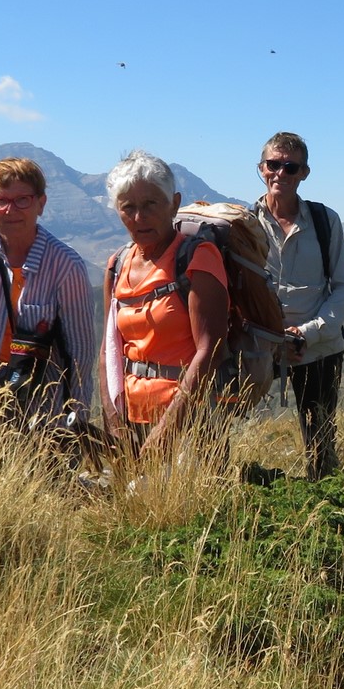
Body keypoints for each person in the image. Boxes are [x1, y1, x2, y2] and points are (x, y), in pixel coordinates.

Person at [0, 156, 99, 444]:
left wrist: (75, 417)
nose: (10, 210)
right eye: (1, 200)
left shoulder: (65, 265)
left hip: (49, 410)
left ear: (40, 203)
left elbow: (80, 350)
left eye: (22, 200)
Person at [100, 150, 230, 460]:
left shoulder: (197, 259)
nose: (139, 217)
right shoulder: (117, 265)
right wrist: (114, 422)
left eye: (150, 204)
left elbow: (209, 349)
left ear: (174, 203)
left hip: (191, 422)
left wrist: (167, 430)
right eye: (128, 207)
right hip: (132, 418)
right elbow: (108, 350)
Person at [254, 131, 344, 478]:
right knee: (228, 420)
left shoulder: (326, 222)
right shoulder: (244, 225)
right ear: (260, 168)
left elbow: (342, 286)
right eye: (273, 164)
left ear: (304, 173)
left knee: (320, 438)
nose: (280, 173)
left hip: (318, 348)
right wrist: (271, 337)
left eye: (290, 166)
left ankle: (324, 500)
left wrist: (305, 335)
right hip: (258, 346)